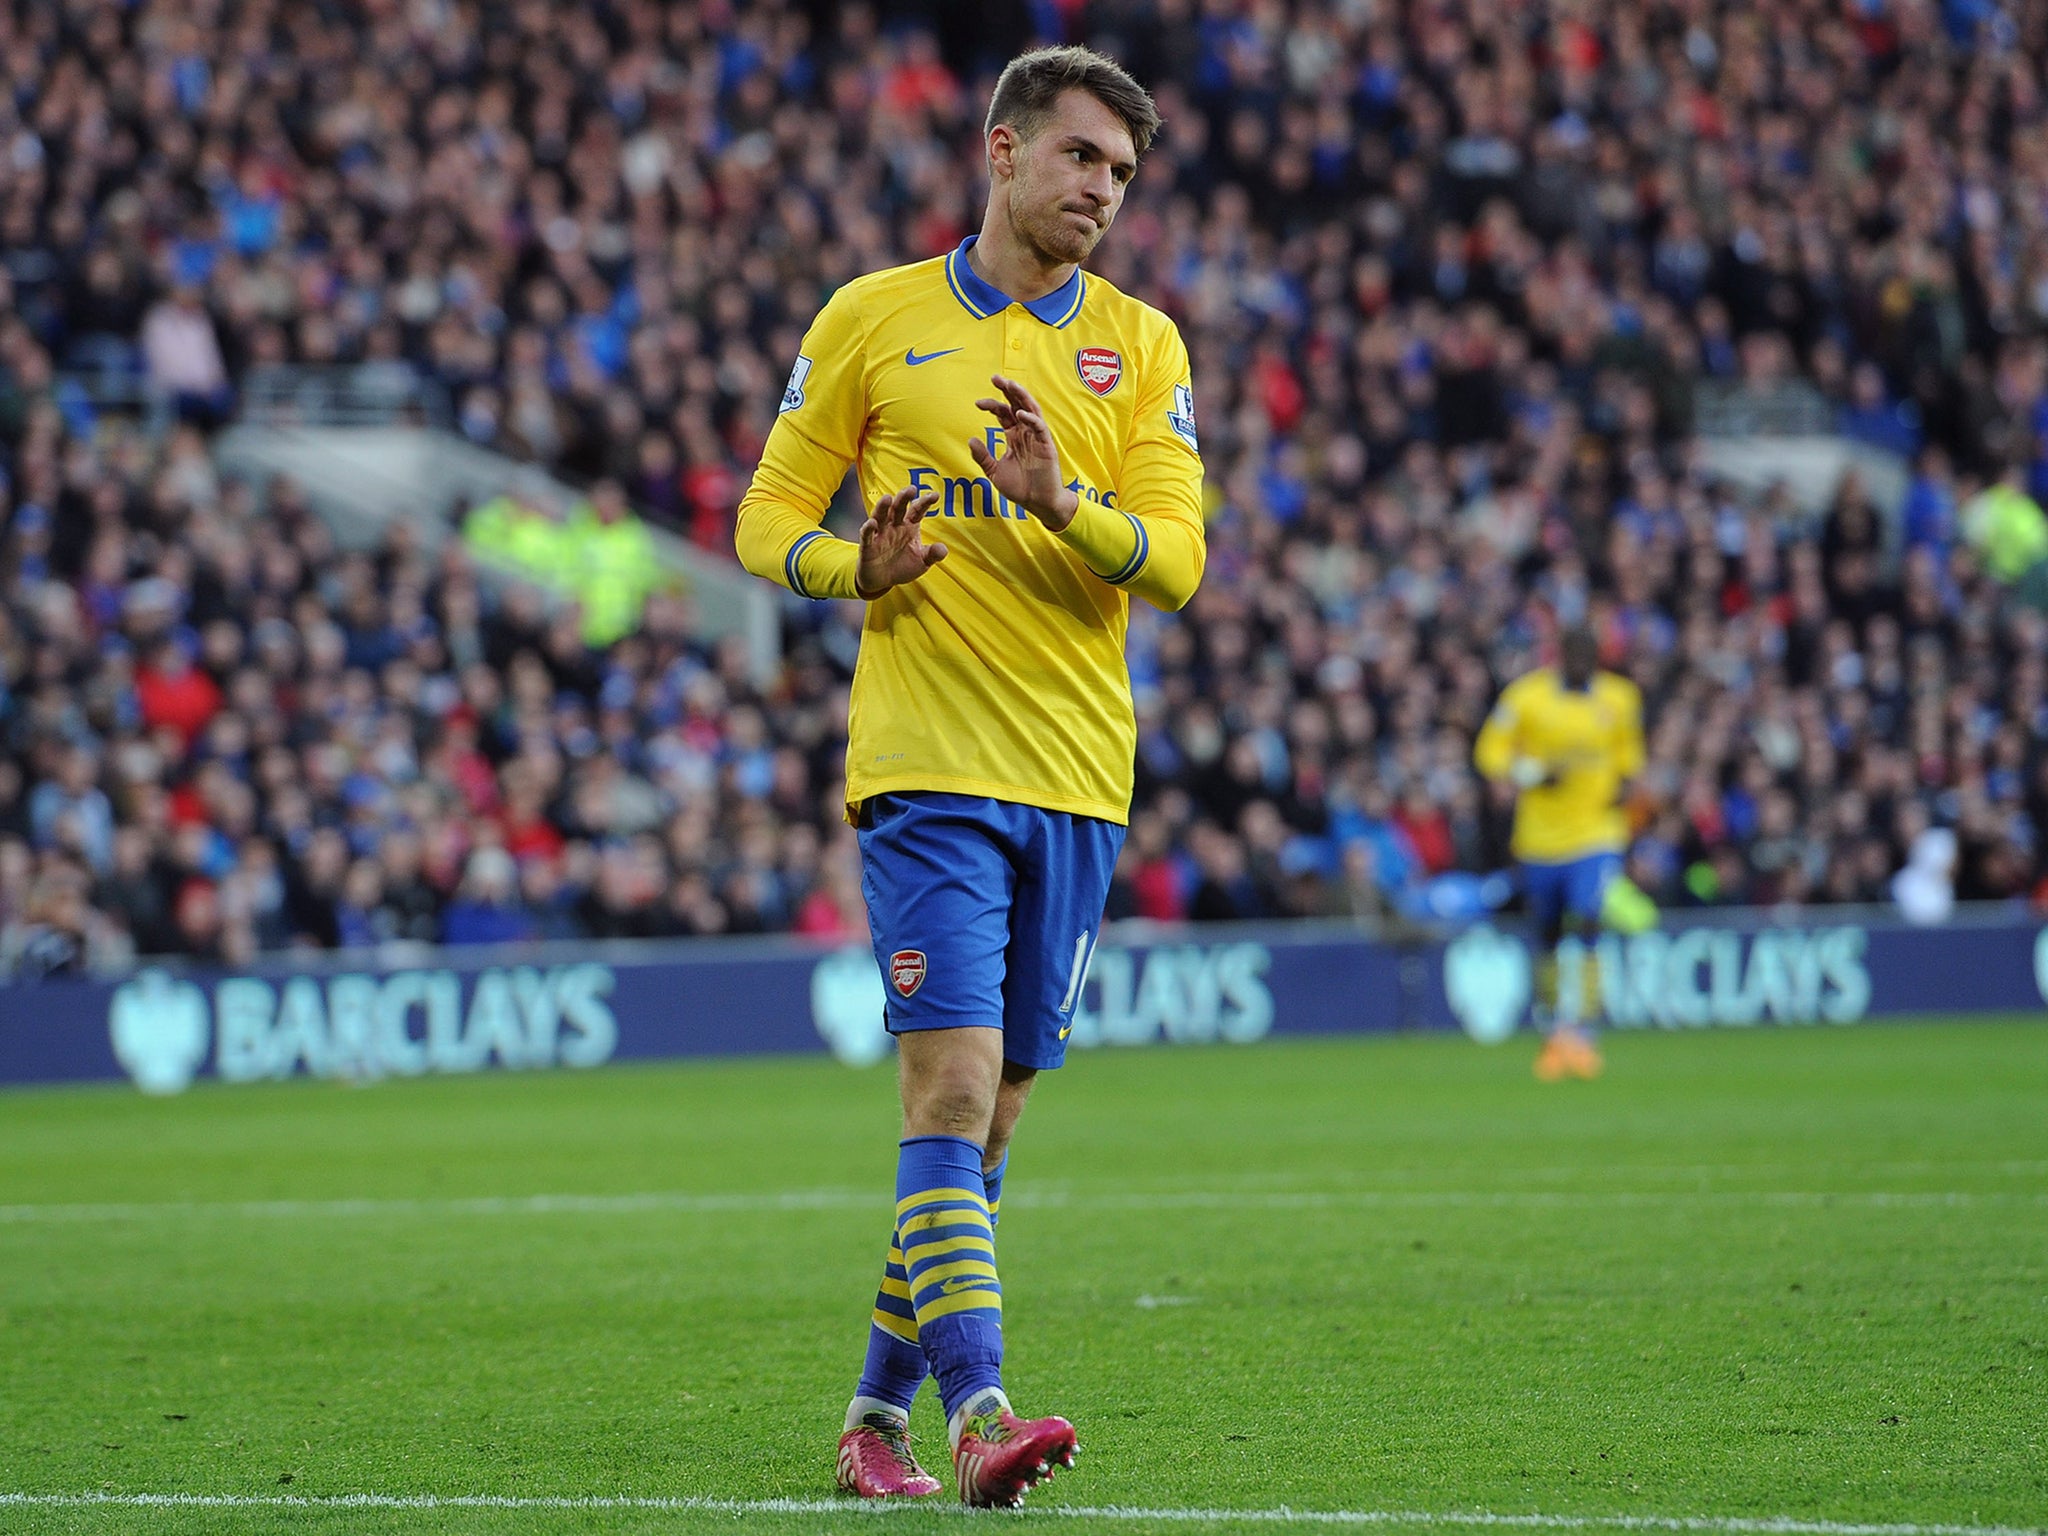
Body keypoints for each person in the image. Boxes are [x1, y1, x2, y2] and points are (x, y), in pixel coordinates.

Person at [734, 46, 1203, 1508]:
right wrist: (844, 564)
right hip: (927, 764)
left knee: (989, 1127)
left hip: (1076, 774)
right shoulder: (874, 319)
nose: (1101, 193)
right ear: (1001, 153)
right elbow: (764, 518)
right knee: (947, 1091)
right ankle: (981, 1415)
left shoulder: (1145, 347)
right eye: (1079, 159)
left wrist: (1067, 503)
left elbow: (1179, 565)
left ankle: (869, 1424)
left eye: (1120, 175)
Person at [1473, 626, 1645, 1081]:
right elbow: (1490, 752)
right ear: (1558, 657)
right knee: (1548, 931)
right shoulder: (1526, 698)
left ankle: (1585, 1029)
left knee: (1588, 915)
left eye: (1587, 657)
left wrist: (1626, 785)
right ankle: (1554, 1029)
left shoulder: (1620, 699)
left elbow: (1630, 755)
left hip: (1596, 832)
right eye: (1572, 657)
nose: (1579, 665)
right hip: (1540, 839)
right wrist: (1530, 773)